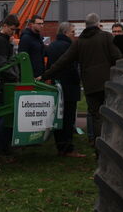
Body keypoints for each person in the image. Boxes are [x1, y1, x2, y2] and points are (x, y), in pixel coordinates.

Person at [38, 12, 122, 147]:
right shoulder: (106, 37)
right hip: (107, 83)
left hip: (90, 86)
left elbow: (62, 61)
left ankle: (99, 147)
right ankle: (113, 144)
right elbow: (117, 57)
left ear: (85, 25)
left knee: (96, 116)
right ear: (98, 24)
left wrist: (44, 76)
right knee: (111, 114)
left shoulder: (79, 42)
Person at [46, 22, 85, 157]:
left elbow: (50, 65)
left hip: (57, 86)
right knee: (68, 119)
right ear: (65, 33)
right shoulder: (69, 46)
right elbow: (73, 67)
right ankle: (68, 148)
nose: (74, 35)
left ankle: (60, 146)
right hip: (69, 87)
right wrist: (78, 79)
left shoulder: (52, 46)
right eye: (73, 32)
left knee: (59, 117)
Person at [0, 13, 20, 154]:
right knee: (4, 115)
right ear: (5, 26)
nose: (13, 32)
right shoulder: (1, 42)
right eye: (12, 29)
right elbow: (3, 63)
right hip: (3, 82)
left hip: (0, 82)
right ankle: (0, 148)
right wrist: (14, 77)